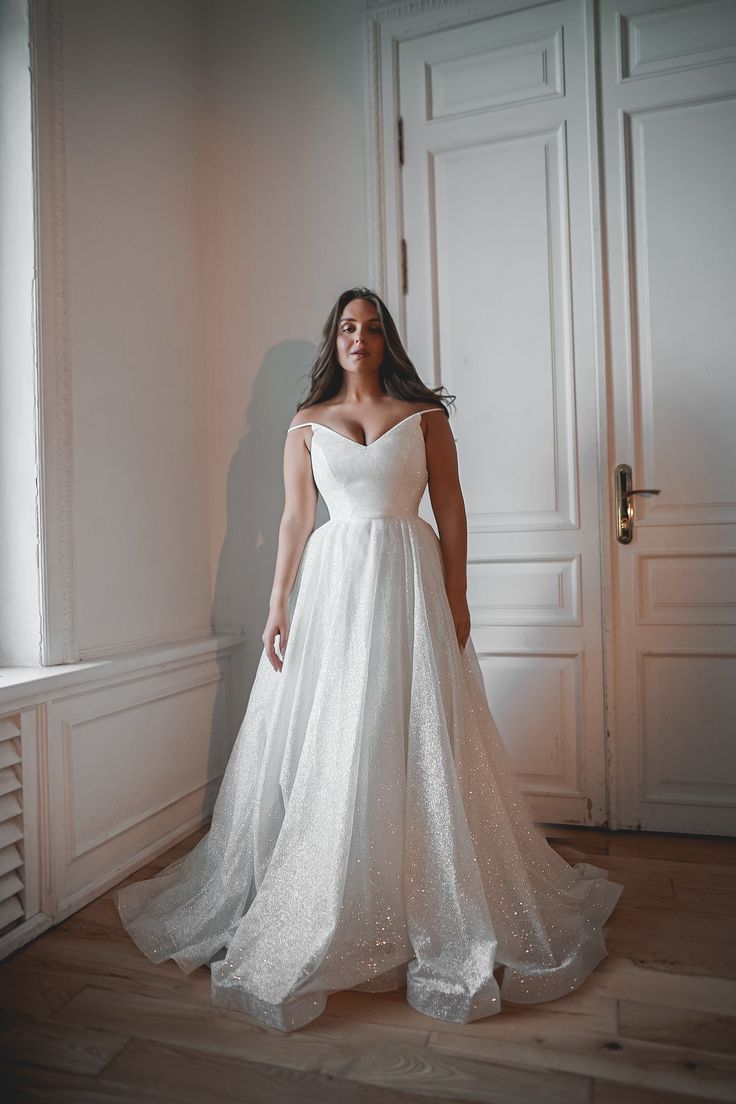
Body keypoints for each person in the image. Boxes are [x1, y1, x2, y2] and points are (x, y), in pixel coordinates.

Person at [114, 286, 623, 1033]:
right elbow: (293, 519)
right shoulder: (305, 425)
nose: (360, 337)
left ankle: (419, 883)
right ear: (335, 340)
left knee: (404, 726)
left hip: (408, 583)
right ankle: (334, 884)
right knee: (336, 729)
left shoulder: (424, 419)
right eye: (349, 327)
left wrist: (458, 594)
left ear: (386, 341)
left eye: (373, 327)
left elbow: (449, 508)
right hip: (333, 589)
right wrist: (277, 602)